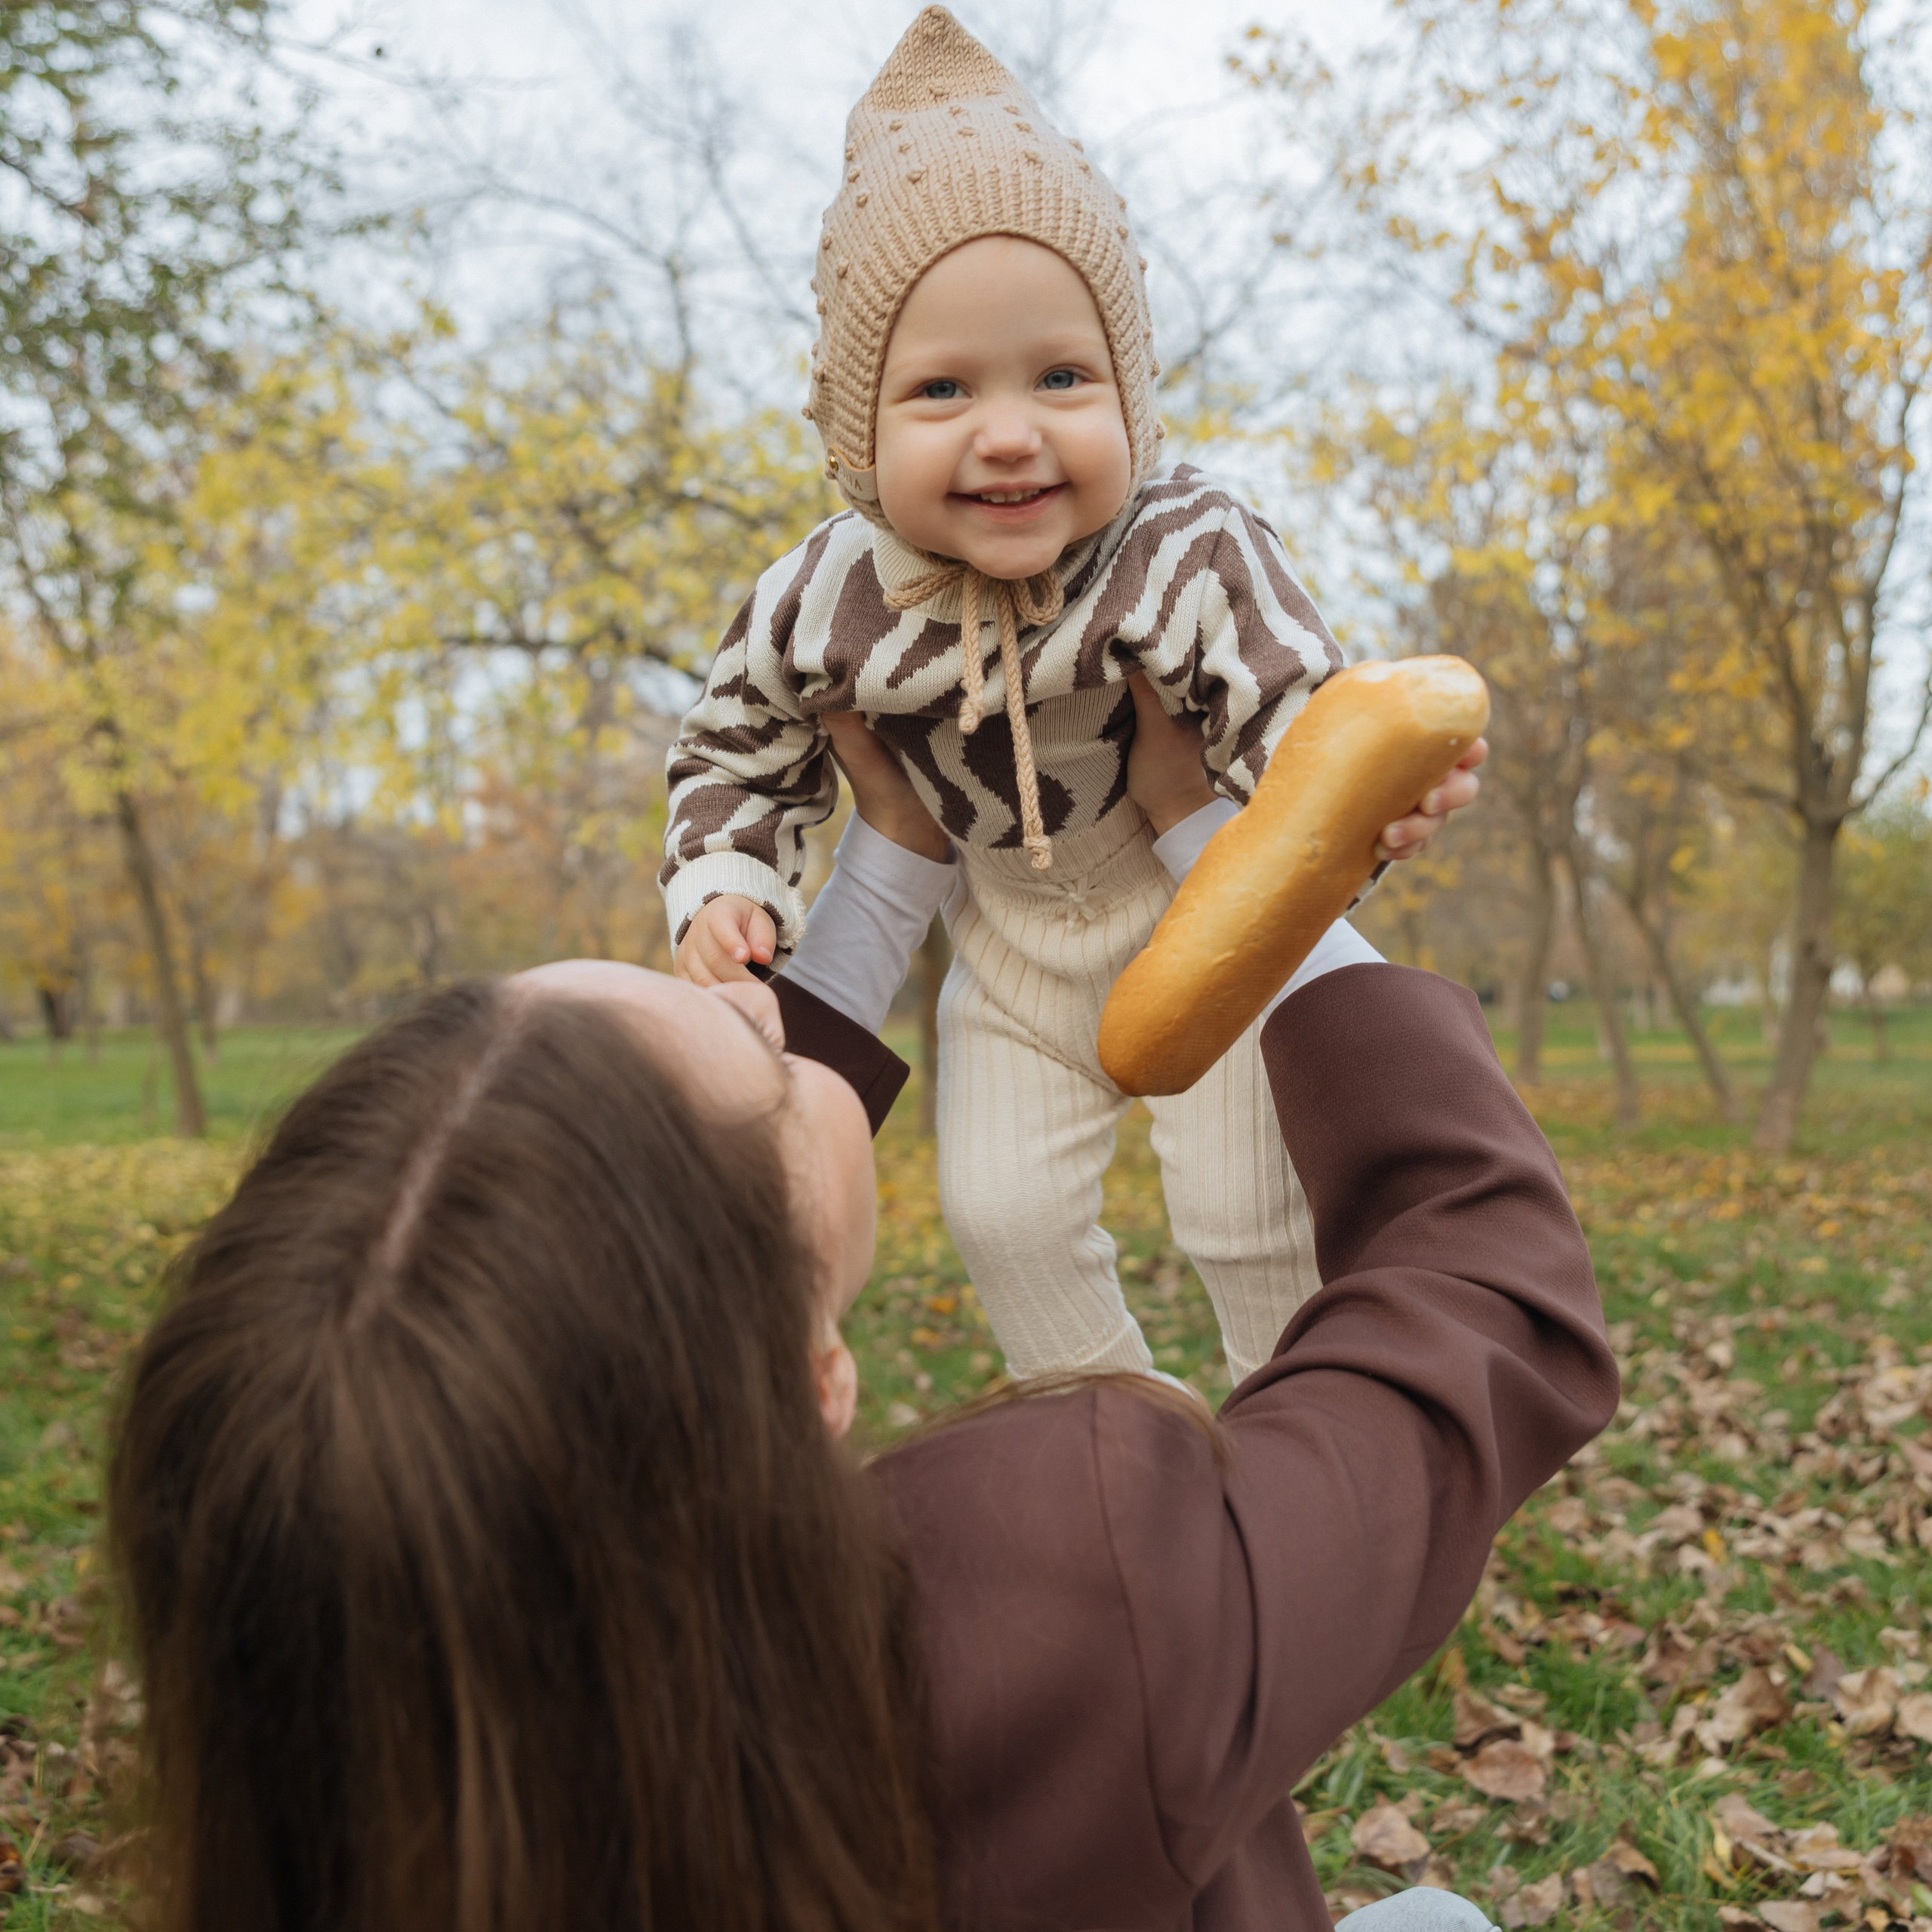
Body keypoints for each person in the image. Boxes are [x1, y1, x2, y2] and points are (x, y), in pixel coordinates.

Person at [109, 691, 1615, 1932]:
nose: (757, 998)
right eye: (756, 1062)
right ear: (812, 1380)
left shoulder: (325, 1735)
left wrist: (888, 858)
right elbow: (1491, 1289)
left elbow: (719, 1194)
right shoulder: (1067, 1598)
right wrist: (1249, 853)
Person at [660, 4, 1484, 1391]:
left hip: (1195, 919)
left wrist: (1369, 799)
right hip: (1004, 951)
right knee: (1002, 1217)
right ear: (856, 431)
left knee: (1245, 1214)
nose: (1009, 432)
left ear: (1132, 391)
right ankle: (1127, 1441)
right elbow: (732, 742)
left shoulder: (1188, 543)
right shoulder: (824, 596)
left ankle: (1288, 1438)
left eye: (1061, 375)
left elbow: (1295, 709)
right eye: (939, 388)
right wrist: (726, 882)